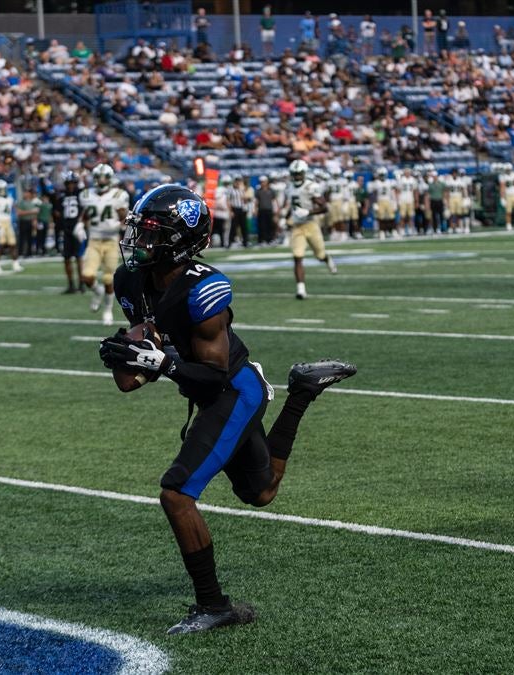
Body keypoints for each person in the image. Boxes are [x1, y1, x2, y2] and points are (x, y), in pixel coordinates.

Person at [98, 183, 357, 634]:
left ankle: (214, 605)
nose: (139, 240)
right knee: (260, 493)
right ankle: (301, 392)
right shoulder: (131, 280)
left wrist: (163, 364)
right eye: (139, 230)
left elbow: (215, 375)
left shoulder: (205, 288)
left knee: (176, 494)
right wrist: (131, 356)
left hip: (234, 389)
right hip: (207, 390)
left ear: (180, 241)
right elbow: (131, 377)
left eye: (152, 232)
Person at [80, 163, 130, 324]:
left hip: (110, 241)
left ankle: (107, 310)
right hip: (94, 240)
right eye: (98, 177)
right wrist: (79, 225)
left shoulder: (118, 195)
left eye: (104, 177)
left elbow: (125, 216)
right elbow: (86, 215)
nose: (101, 180)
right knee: (87, 276)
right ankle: (97, 291)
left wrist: (119, 225)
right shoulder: (86, 195)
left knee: (109, 278)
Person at [285, 160, 337, 300]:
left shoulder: (311, 187)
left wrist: (308, 212)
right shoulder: (289, 187)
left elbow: (324, 207)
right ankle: (301, 289)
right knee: (297, 257)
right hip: (297, 227)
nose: (296, 177)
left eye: (299, 174)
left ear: (304, 173)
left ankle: (327, 259)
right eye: (294, 174)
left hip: (311, 225)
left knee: (320, 255)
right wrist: (286, 218)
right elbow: (292, 206)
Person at [54, 174, 85, 293]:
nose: (71, 185)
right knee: (67, 258)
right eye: (69, 183)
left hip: (77, 228)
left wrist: (82, 223)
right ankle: (71, 284)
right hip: (66, 229)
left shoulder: (81, 195)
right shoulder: (61, 196)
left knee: (79, 257)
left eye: (73, 183)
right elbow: (56, 212)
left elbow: (86, 209)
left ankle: (81, 283)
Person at [0, 180, 20, 272]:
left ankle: (15, 263)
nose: (2, 191)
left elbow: (11, 211)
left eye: (3, 189)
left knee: (13, 244)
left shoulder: (10, 199)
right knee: (0, 244)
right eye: (0, 189)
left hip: (8, 222)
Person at [369, 167, 398, 239]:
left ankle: (393, 231)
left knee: (391, 217)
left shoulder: (390, 182)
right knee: (381, 218)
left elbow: (392, 193)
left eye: (383, 175)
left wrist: (394, 201)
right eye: (381, 175)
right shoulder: (376, 183)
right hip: (380, 200)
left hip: (388, 200)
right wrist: (375, 203)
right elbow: (374, 194)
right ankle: (382, 232)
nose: (382, 176)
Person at [498, 162, 514, 233]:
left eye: (509, 169)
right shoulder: (502, 176)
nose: (508, 170)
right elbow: (502, 187)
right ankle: (508, 224)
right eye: (507, 169)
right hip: (508, 195)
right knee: (508, 212)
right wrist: (502, 197)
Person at [16, 188, 39, 258]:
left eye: (27, 193)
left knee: (30, 238)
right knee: (22, 238)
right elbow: (19, 213)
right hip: (23, 221)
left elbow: (36, 213)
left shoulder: (32, 202)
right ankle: (20, 253)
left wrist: (35, 221)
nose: (25, 194)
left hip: (31, 221)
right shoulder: (21, 202)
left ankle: (29, 253)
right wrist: (31, 211)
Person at [254, 176, 276, 247]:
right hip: (261, 210)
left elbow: (274, 201)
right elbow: (256, 201)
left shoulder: (271, 190)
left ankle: (270, 240)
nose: (262, 183)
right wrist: (255, 209)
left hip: (269, 209)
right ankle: (262, 240)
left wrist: (276, 210)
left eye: (264, 182)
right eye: (261, 182)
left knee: (270, 225)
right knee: (262, 226)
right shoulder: (258, 191)